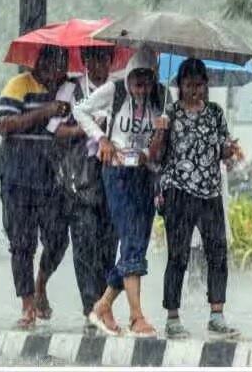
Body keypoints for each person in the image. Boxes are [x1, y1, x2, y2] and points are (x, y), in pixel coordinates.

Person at [73, 48, 169, 337]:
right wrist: (101, 138)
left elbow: (159, 150)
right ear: (128, 76)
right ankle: (136, 316)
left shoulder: (163, 99)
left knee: (136, 245)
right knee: (129, 239)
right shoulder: (113, 91)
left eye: (147, 79)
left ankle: (102, 305)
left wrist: (161, 134)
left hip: (145, 175)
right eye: (136, 79)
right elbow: (80, 110)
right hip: (116, 174)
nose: (141, 86)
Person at [149, 58, 244, 339]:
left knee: (217, 253)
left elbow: (223, 150)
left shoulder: (215, 113)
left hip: (210, 193)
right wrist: (161, 131)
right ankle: (172, 318)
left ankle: (217, 315)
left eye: (199, 85)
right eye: (189, 85)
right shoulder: (171, 113)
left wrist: (232, 150)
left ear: (206, 85)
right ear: (179, 86)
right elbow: (155, 156)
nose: (194, 91)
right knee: (177, 256)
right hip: (179, 192)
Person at [0, 45, 72, 329]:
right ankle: (27, 305)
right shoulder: (19, 85)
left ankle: (41, 282)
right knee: (21, 244)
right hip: (17, 178)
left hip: (52, 178)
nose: (58, 71)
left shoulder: (67, 89)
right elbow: (4, 125)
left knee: (58, 239)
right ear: (41, 63)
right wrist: (46, 111)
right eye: (54, 64)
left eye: (62, 65)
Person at [46, 46, 118, 333]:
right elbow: (54, 130)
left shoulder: (118, 91)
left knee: (108, 243)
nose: (99, 64)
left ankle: (103, 305)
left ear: (111, 61)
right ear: (85, 61)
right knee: (84, 241)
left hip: (111, 175)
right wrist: (87, 129)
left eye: (105, 58)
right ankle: (90, 307)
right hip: (79, 177)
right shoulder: (70, 90)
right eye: (94, 58)